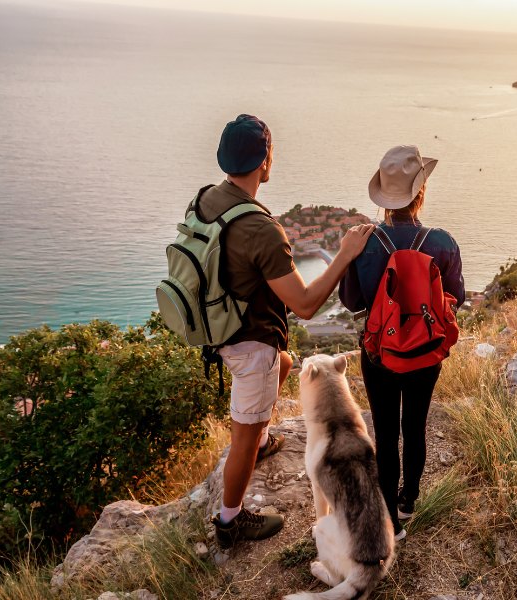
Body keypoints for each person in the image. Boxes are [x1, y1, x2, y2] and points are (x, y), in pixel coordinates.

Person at [200, 114, 375, 548]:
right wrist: (345, 254)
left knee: (286, 361)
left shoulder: (208, 199)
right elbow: (306, 304)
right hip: (248, 341)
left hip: (219, 326)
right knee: (244, 431)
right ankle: (230, 521)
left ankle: (258, 442)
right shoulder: (260, 229)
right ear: (266, 161)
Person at [339, 144, 464, 541]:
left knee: (386, 432)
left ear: (384, 199)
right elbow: (456, 298)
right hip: (426, 352)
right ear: (420, 193)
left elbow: (352, 301)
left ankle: (390, 520)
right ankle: (410, 500)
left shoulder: (364, 241)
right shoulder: (442, 242)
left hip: (379, 354)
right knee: (416, 426)